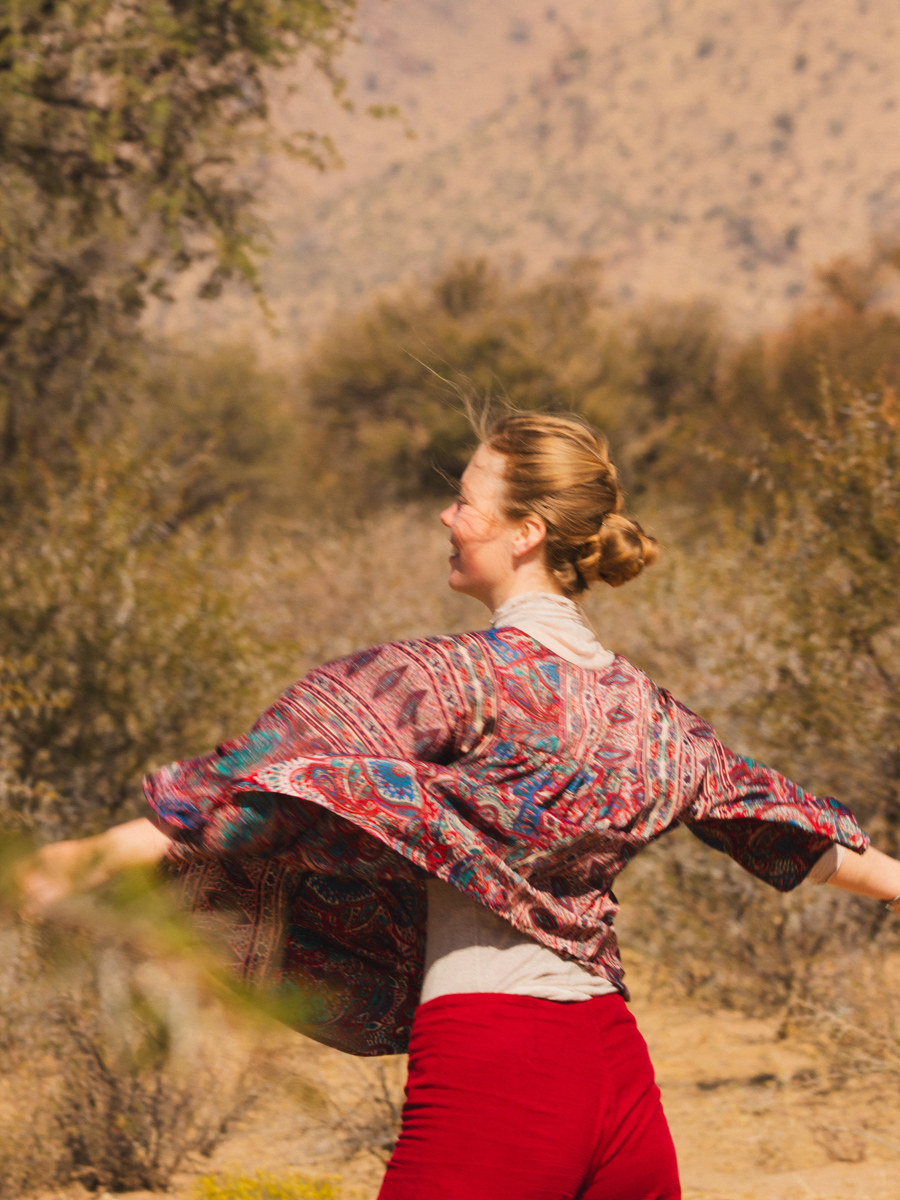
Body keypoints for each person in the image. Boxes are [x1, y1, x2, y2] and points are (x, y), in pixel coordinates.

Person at [19, 412, 900, 1200]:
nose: (447, 516)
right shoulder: (654, 718)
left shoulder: (449, 681)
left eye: (466, 500)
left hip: (500, 1061)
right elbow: (786, 831)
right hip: (616, 1070)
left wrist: (74, 862)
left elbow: (257, 782)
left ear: (526, 532)